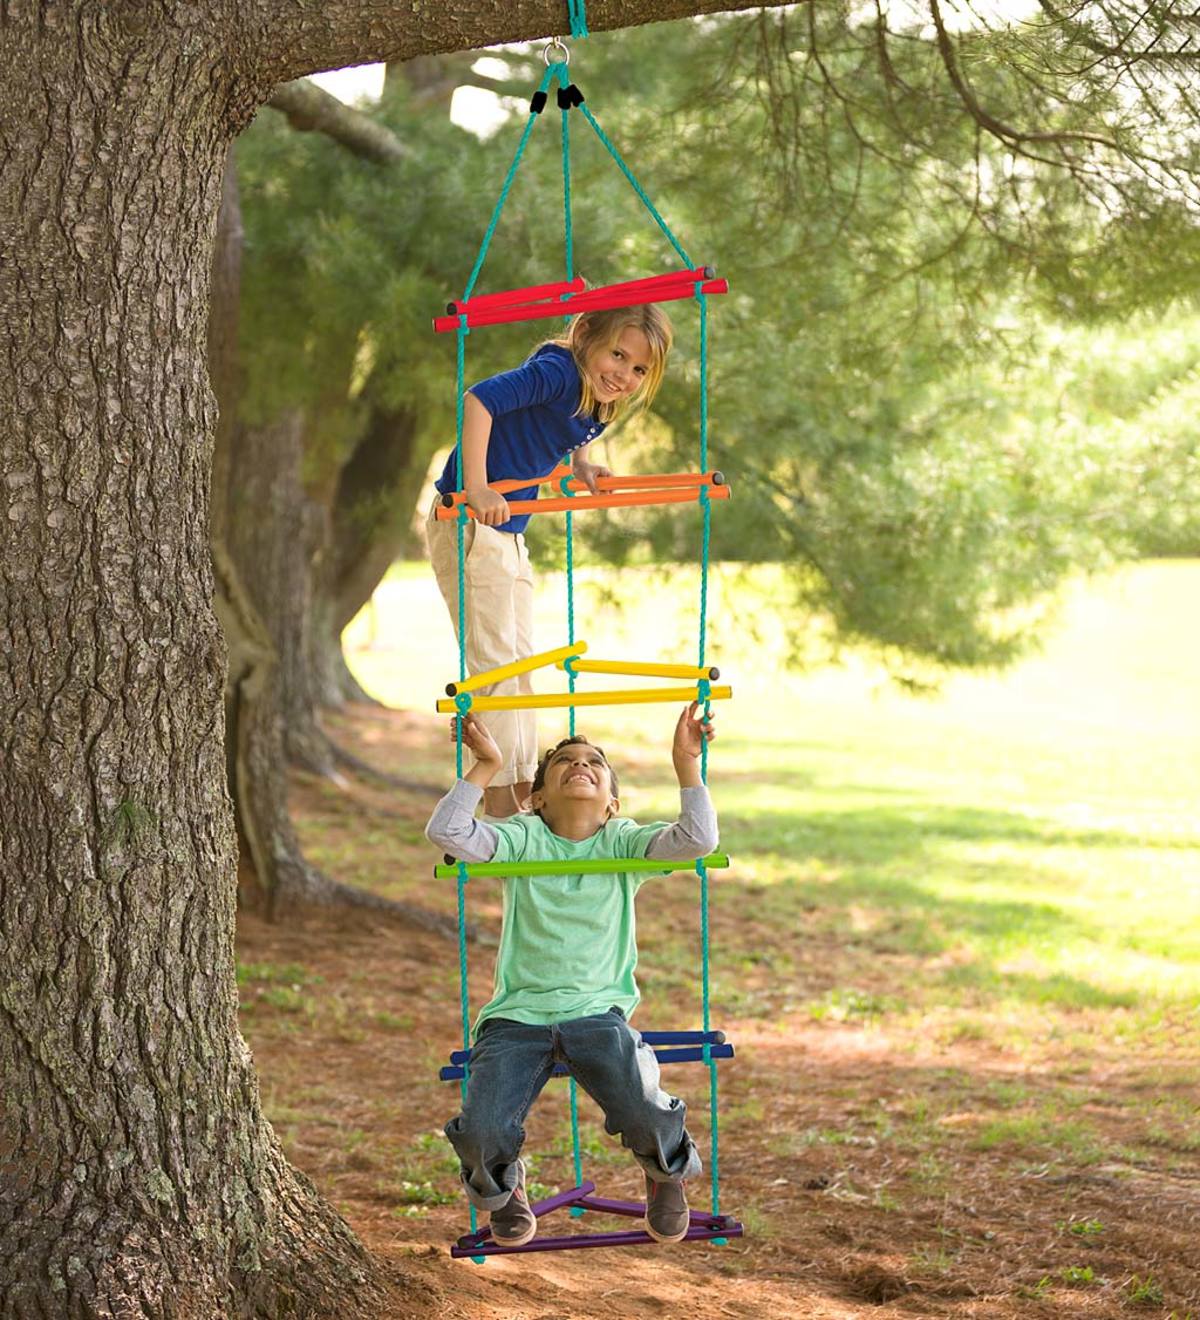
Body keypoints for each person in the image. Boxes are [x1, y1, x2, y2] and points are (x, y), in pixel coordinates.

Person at [425, 701, 716, 1247]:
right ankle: (503, 1188)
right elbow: (448, 832)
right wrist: (484, 764)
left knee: (641, 1102)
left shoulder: (624, 843)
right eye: (563, 761)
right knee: (484, 1127)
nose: (580, 765)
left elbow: (698, 840)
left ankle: (664, 1173)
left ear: (612, 802)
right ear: (536, 797)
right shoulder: (520, 839)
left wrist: (685, 763)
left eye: (595, 763)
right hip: (515, 1017)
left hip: (597, 1014)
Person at [426, 305, 674, 819]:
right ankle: (502, 800)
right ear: (585, 335)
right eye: (618, 355)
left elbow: (554, 435)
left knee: (521, 665)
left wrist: (581, 464)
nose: (624, 375)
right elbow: (479, 401)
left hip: (509, 533)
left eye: (639, 370)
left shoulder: (597, 398)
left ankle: (521, 792)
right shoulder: (560, 370)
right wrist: (475, 485)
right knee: (497, 666)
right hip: (470, 524)